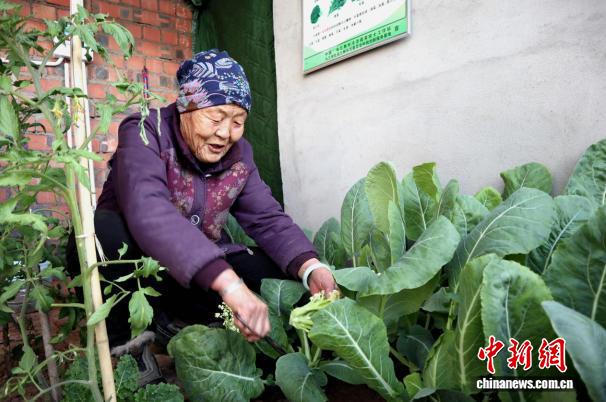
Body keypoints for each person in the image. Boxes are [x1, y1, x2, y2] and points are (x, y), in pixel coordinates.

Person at [67, 49, 337, 384]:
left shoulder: (240, 155)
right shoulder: (145, 132)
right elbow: (148, 209)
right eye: (216, 117)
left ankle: (177, 321)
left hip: (195, 272)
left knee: (272, 268)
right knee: (101, 230)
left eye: (238, 121)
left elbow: (267, 218)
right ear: (186, 106)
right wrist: (230, 284)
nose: (225, 133)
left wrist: (311, 267)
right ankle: (126, 348)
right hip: (138, 269)